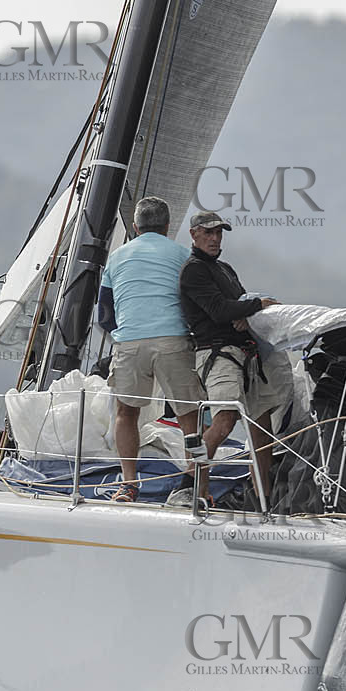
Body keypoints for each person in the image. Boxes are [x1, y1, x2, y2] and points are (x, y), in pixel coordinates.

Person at [96, 197, 204, 505]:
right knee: (189, 416)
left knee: (126, 413)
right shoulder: (183, 254)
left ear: (135, 227)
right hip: (173, 340)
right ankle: (193, 482)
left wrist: (127, 332)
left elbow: (104, 314)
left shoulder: (116, 258)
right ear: (168, 227)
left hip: (130, 342)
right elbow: (194, 300)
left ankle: (128, 485)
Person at [179, 210, 292, 499]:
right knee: (225, 420)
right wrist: (257, 304)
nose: (215, 238)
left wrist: (246, 313)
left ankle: (262, 500)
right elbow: (219, 310)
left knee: (261, 431)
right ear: (194, 235)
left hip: (246, 356)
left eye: (219, 233)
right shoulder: (193, 270)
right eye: (208, 233)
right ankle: (193, 488)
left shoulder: (226, 269)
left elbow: (234, 305)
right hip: (217, 355)